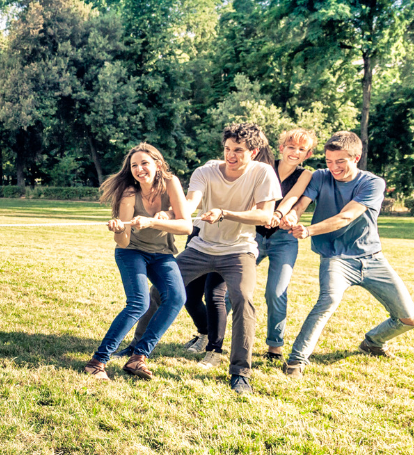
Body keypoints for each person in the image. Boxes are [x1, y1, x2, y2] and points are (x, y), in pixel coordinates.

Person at [135, 123, 282, 393]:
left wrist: (224, 212)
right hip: (201, 247)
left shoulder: (263, 173)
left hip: (239, 250)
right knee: (160, 291)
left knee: (243, 300)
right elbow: (189, 204)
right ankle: (136, 350)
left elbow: (264, 216)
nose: (231, 155)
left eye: (238, 150)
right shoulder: (205, 171)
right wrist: (169, 214)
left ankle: (240, 373)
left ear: (255, 151)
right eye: (227, 149)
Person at [281, 131, 414, 376]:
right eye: (329, 161)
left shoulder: (372, 183)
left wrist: (308, 230)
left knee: (409, 317)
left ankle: (372, 342)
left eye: (340, 162)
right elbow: (302, 203)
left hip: (372, 258)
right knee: (328, 301)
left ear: (356, 157)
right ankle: (296, 361)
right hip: (335, 258)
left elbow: (346, 216)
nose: (333, 167)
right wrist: (292, 216)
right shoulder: (320, 177)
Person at [85, 143, 192, 381]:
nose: (139, 169)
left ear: (158, 164)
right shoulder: (129, 193)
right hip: (132, 252)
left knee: (176, 298)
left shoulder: (171, 183)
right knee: (139, 304)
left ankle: (138, 357)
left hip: (162, 253)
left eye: (144, 163)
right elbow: (123, 242)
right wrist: (118, 229)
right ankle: (97, 361)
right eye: (134, 165)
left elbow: (186, 226)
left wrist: (153, 222)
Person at [254, 129, 317, 359]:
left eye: (301, 149)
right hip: (254, 235)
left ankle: (275, 346)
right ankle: (213, 338)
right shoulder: (265, 166)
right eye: (291, 147)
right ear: (282, 148)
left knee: (276, 292)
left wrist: (281, 214)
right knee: (233, 288)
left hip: (284, 239)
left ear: (307, 154)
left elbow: (292, 196)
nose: (295, 152)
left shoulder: (306, 174)